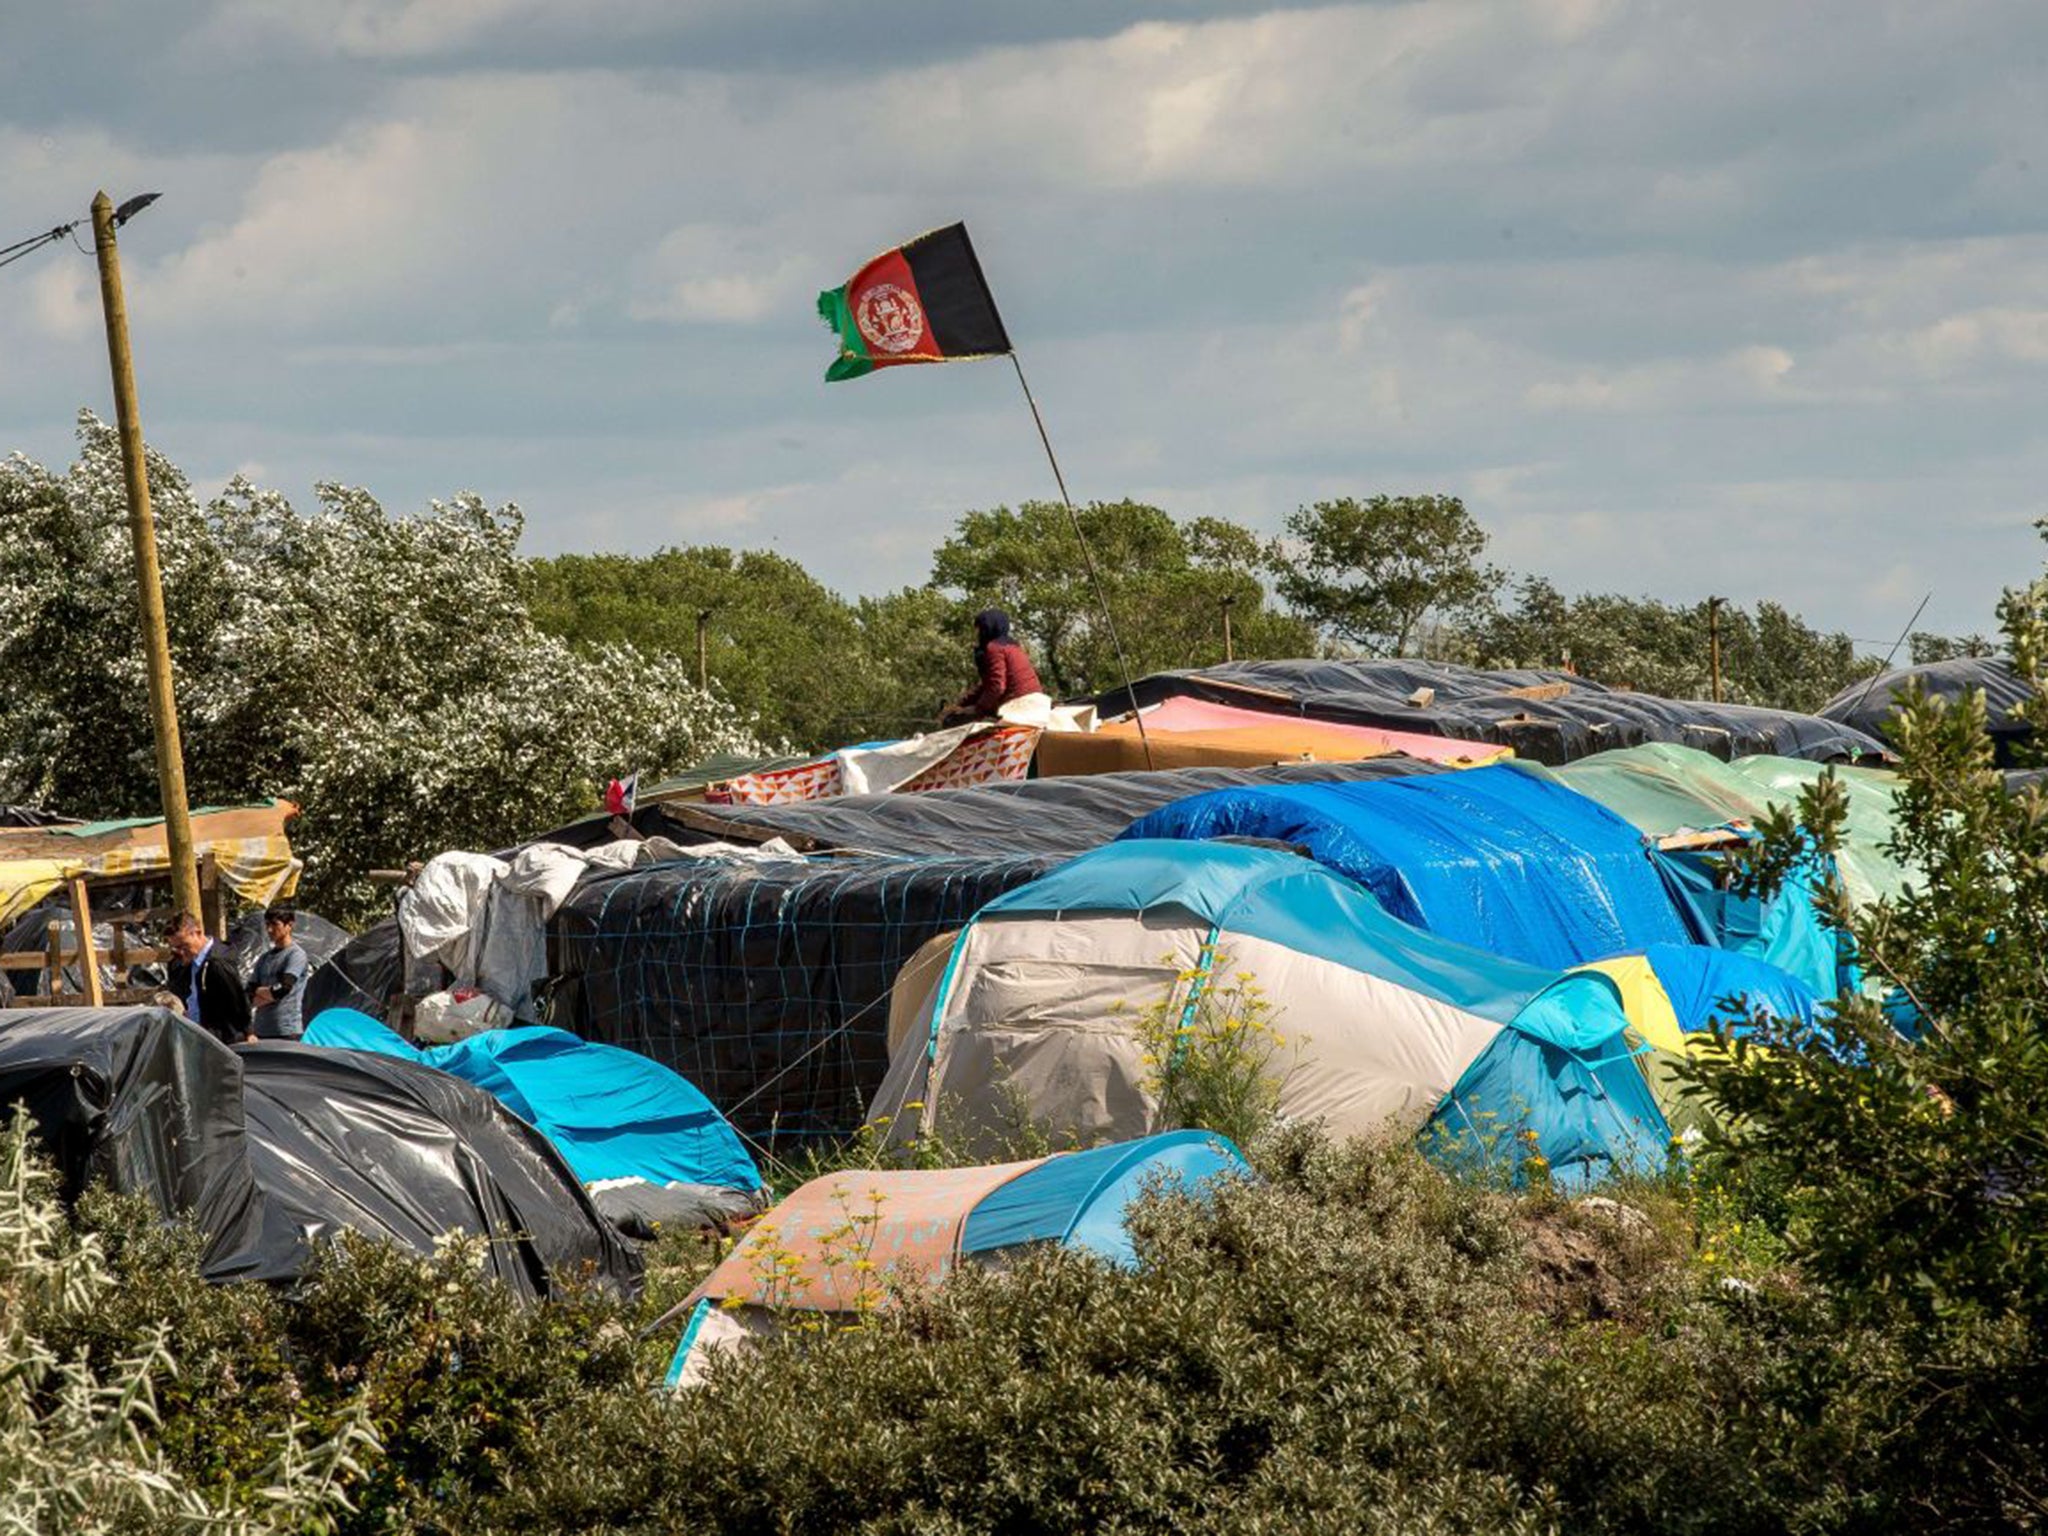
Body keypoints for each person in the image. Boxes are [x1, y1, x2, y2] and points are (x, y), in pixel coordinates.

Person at [164, 911, 253, 1047]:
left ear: (198, 933)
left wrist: (248, 1032)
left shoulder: (218, 963)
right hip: (196, 1038)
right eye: (176, 948)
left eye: (184, 946)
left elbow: (238, 1002)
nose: (180, 952)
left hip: (222, 1041)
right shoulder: (183, 964)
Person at [941, 608, 1042, 725]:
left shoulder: (994, 648)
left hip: (1018, 706)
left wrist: (977, 708)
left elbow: (997, 687)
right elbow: (988, 684)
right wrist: (961, 704)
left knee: (952, 721)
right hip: (1037, 702)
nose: (978, 634)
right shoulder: (1013, 646)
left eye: (979, 629)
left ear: (987, 629)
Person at [248, 905, 311, 1041]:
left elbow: (284, 988)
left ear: (289, 925)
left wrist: (260, 992)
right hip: (261, 1030)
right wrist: (268, 993)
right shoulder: (264, 958)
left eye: (275, 925)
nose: (270, 930)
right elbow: (248, 991)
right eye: (267, 925)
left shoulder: (296, 955)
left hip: (287, 1030)